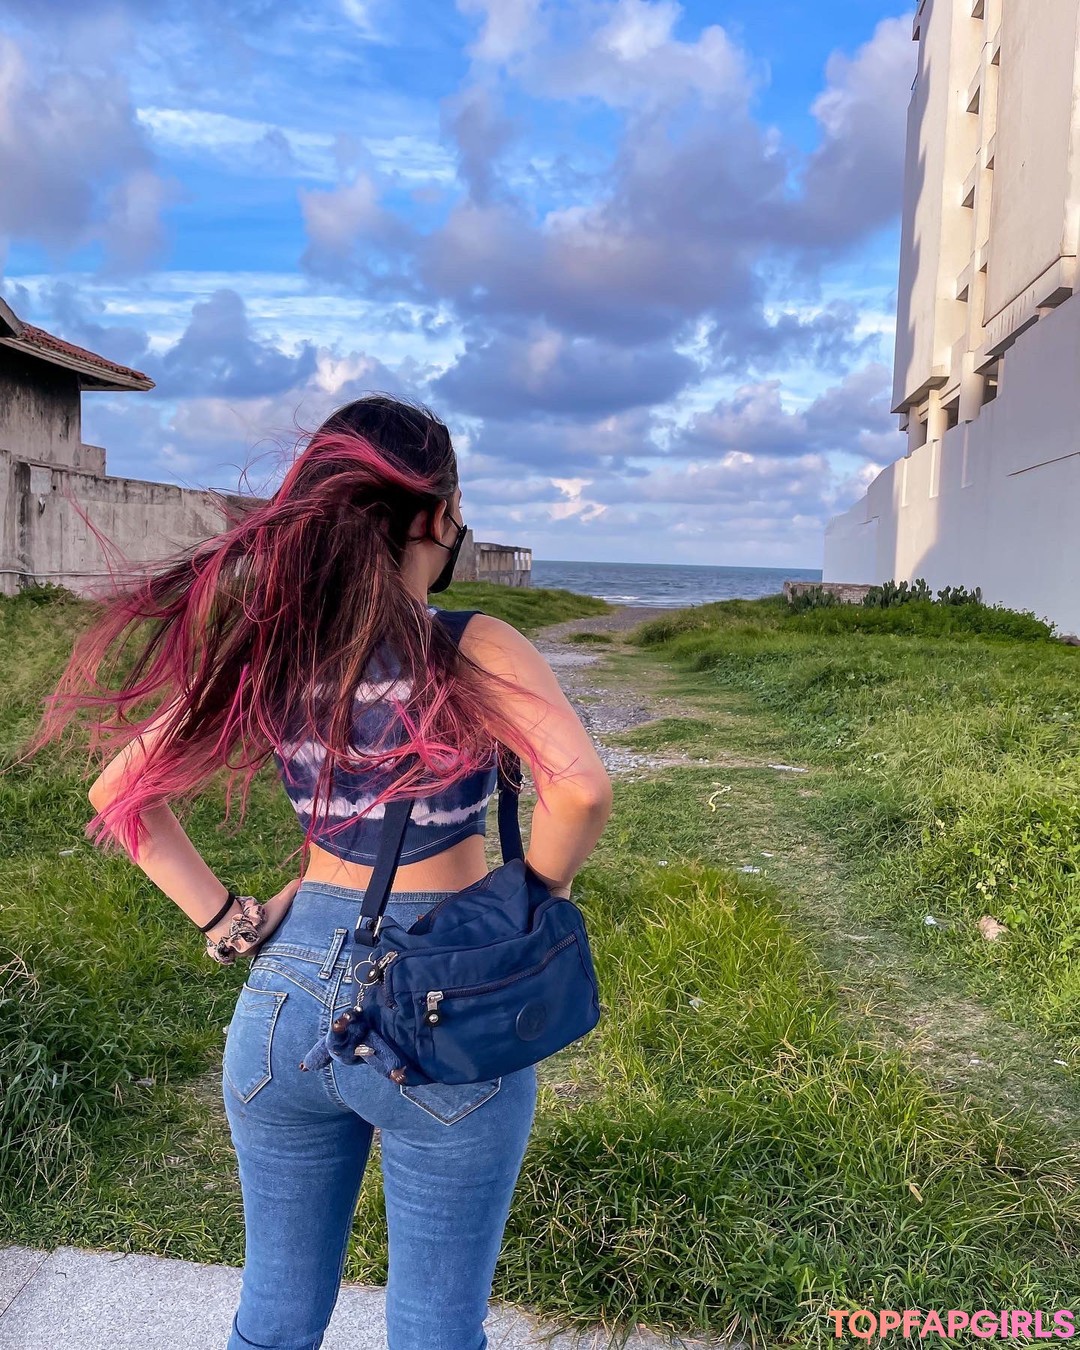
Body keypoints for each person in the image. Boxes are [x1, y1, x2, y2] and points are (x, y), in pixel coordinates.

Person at [29, 395, 613, 1350]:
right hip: (443, 996)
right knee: (435, 1329)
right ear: (437, 516)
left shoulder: (279, 649)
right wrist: (533, 897)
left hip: (283, 997)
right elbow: (579, 792)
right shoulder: (470, 643)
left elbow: (118, 791)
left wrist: (227, 921)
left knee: (274, 1315)